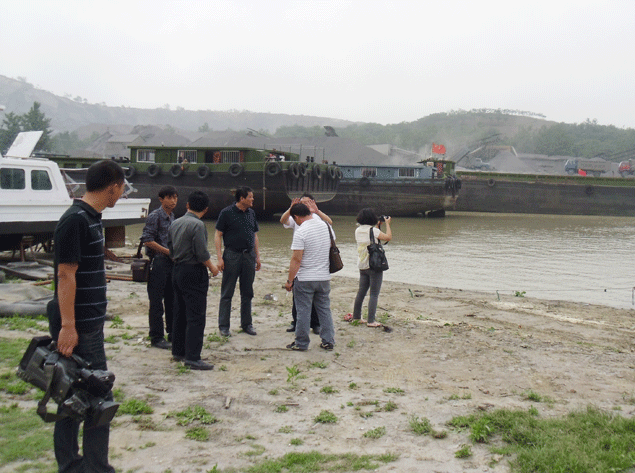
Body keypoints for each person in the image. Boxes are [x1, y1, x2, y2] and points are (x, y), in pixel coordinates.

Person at [47, 159, 125, 473]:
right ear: (113, 187)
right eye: (121, 188)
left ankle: (71, 464)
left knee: (74, 393)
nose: (121, 193)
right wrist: (68, 326)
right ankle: (94, 466)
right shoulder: (75, 220)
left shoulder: (92, 218)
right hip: (79, 325)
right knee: (98, 394)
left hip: (89, 323)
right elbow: (65, 275)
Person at [168, 191, 220, 370]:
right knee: (196, 316)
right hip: (193, 271)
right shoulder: (198, 225)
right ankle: (193, 357)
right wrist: (213, 267)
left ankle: (178, 351)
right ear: (205, 209)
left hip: (177, 269)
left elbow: (170, 249)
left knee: (179, 311)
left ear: (187, 205)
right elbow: (201, 253)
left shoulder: (175, 223)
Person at [284, 203, 336, 351]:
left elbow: (296, 259)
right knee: (324, 310)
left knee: (303, 312)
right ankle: (328, 341)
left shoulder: (301, 231)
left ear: (296, 217)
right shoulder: (326, 226)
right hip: (323, 277)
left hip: (305, 278)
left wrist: (289, 280)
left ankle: (301, 343)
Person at [215, 186, 261, 337]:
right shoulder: (226, 213)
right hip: (232, 255)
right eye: (250, 197)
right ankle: (224, 326)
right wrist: (219, 258)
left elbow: (254, 235)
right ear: (242, 198)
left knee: (247, 292)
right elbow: (218, 235)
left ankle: (247, 324)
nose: (252, 199)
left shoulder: (251, 213)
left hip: (249, 256)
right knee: (227, 292)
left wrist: (257, 256)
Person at [140, 185, 178, 349]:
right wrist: (167, 252)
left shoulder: (173, 217)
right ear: (161, 200)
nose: (173, 201)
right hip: (159, 262)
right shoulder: (155, 216)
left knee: (171, 299)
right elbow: (147, 240)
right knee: (156, 301)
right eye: (169, 198)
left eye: (175, 198)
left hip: (171, 262)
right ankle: (156, 337)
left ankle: (172, 333)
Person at [352, 208, 392, 327]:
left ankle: (356, 317)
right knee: (374, 294)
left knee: (361, 292)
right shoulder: (373, 231)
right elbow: (388, 237)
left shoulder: (358, 230)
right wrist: (388, 224)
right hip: (374, 265)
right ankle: (371, 320)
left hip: (362, 264)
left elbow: (372, 238)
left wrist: (378, 226)